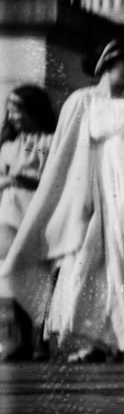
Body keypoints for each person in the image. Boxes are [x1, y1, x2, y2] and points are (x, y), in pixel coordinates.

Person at [0, 41, 124, 361]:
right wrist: (81, 194)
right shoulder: (83, 101)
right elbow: (65, 156)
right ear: (108, 63)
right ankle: (96, 339)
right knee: (92, 260)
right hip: (98, 188)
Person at [0, 85, 56, 361]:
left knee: (41, 275)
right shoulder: (9, 146)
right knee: (16, 272)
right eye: (10, 110)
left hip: (37, 210)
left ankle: (41, 338)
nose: (13, 116)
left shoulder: (50, 142)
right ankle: (21, 338)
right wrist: (8, 181)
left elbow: (55, 177)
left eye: (19, 110)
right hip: (10, 211)